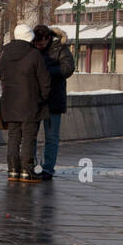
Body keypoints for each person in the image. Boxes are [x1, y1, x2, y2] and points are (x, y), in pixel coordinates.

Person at [0, 23, 50, 183]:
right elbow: (45, 81)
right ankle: (27, 171)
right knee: (28, 138)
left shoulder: (4, 53)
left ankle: (12, 170)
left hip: (10, 103)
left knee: (13, 137)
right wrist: (43, 98)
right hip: (31, 103)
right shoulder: (34, 54)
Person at [35, 26, 75, 180]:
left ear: (48, 38)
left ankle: (48, 168)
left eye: (40, 43)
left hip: (54, 99)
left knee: (51, 138)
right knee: (30, 135)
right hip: (36, 99)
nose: (38, 46)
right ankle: (31, 165)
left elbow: (68, 68)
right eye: (36, 43)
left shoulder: (61, 49)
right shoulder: (32, 47)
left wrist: (46, 72)